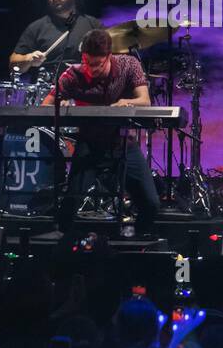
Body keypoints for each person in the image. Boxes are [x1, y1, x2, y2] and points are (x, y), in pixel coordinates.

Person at [43, 27, 160, 236]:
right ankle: (66, 248)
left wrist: (126, 102)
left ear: (109, 57)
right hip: (89, 144)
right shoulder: (72, 75)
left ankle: (136, 241)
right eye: (87, 62)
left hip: (125, 145)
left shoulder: (128, 64)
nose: (91, 69)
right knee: (69, 204)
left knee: (151, 203)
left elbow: (145, 100)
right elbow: (46, 106)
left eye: (97, 64)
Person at [11, 0, 102, 76]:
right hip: (49, 90)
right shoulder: (36, 28)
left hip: (86, 88)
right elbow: (13, 64)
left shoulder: (94, 25)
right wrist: (29, 59)